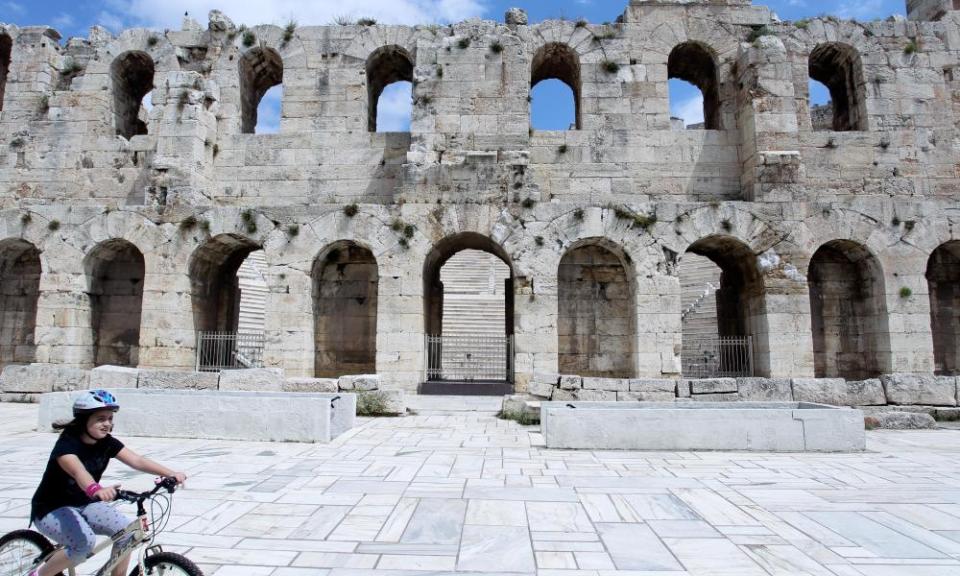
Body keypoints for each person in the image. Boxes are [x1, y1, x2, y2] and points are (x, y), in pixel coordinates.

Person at [28, 390, 187, 576]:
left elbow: (137, 461)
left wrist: (171, 473)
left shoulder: (106, 442)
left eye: (110, 418)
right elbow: (78, 471)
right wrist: (96, 489)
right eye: (101, 419)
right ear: (83, 420)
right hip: (51, 507)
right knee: (84, 543)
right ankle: (38, 574)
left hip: (86, 503)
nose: (108, 424)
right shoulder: (67, 445)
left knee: (127, 533)